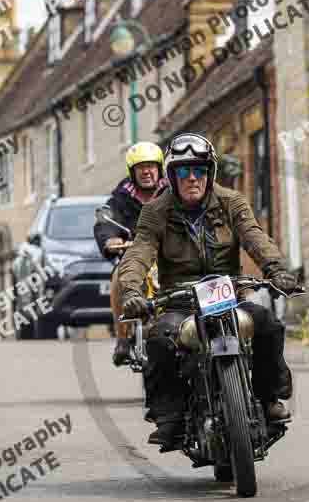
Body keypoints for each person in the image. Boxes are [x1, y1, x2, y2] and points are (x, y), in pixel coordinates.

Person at [118, 133, 297, 449]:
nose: (192, 178)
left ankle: (269, 397)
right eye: (183, 172)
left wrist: (277, 270)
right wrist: (131, 291)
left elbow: (254, 237)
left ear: (209, 173)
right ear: (172, 176)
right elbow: (140, 251)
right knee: (160, 338)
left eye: (199, 170)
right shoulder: (155, 212)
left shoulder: (231, 202)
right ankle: (169, 415)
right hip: (179, 300)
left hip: (229, 294)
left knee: (268, 323)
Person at [94, 141, 167, 366]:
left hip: (170, 256)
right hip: (133, 258)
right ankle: (123, 338)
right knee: (118, 278)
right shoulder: (120, 199)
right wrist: (110, 239)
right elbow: (105, 222)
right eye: (140, 167)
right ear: (132, 172)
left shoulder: (172, 192)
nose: (146, 171)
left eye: (151, 166)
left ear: (160, 168)